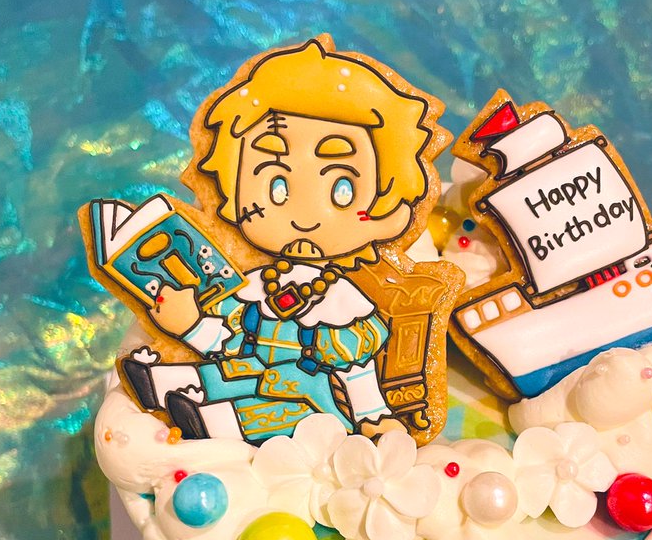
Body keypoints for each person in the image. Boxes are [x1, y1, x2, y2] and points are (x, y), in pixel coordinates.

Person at [116, 37, 445, 443]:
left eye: (342, 188)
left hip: (306, 395)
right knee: (223, 373)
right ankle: (169, 388)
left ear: (392, 202)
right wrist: (189, 326)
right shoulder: (254, 284)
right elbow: (228, 344)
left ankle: (211, 419)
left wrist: (373, 417)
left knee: (286, 407)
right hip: (248, 372)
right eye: (276, 185)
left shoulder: (345, 303)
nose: (305, 215)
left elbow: (356, 372)